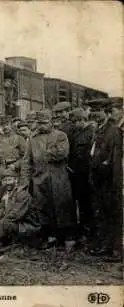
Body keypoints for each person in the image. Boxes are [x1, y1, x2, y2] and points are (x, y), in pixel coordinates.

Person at [21, 110, 76, 252]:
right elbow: (27, 161)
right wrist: (25, 181)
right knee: (44, 208)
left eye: (45, 123)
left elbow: (62, 153)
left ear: (51, 122)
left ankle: (69, 238)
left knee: (63, 206)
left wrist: (45, 153)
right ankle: (52, 237)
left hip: (58, 178)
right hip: (40, 178)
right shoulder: (32, 140)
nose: (42, 126)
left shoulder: (60, 135)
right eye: (39, 123)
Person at [88, 98, 123, 262]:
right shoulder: (99, 130)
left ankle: (116, 250)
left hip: (109, 180)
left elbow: (114, 159)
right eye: (93, 111)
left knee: (113, 213)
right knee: (102, 213)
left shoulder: (114, 131)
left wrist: (115, 182)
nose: (95, 114)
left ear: (107, 113)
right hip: (99, 179)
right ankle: (105, 246)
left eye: (99, 111)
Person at [67, 108, 95, 241]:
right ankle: (81, 227)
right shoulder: (76, 132)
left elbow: (91, 155)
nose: (75, 124)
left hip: (86, 172)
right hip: (75, 172)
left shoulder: (91, 132)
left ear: (82, 120)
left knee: (86, 202)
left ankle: (88, 229)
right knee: (77, 200)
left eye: (76, 121)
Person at [0, 116, 27, 199]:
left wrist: (16, 165)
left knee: (16, 195)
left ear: (12, 125)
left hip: (15, 172)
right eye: (3, 125)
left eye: (7, 124)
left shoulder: (19, 138)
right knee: (2, 195)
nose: (5, 127)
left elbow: (26, 157)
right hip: (3, 172)